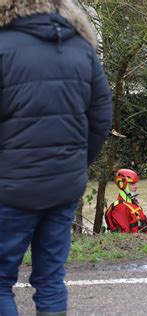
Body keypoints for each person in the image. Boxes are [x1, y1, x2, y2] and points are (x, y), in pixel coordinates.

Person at [0, 0, 113, 315]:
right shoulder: (80, 46)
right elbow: (101, 117)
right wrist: (76, 163)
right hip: (65, 185)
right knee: (50, 279)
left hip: (11, 189)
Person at [105, 169, 147, 233]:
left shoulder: (133, 202)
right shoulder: (120, 207)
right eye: (132, 184)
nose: (136, 187)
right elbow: (126, 234)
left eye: (135, 184)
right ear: (122, 185)